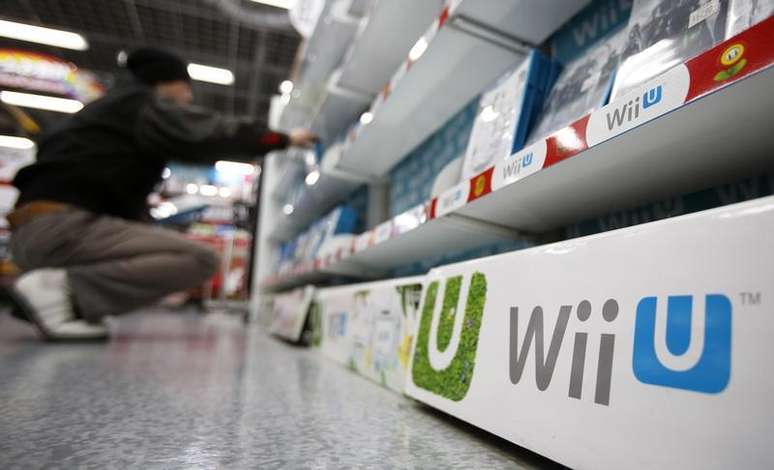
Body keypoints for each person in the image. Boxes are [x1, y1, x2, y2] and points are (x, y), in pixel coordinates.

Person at [7, 48, 317, 341]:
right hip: (63, 229)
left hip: (34, 233)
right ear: (165, 83)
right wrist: (283, 139)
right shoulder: (141, 105)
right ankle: (61, 290)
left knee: (160, 243)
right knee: (198, 259)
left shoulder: (103, 112)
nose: (188, 98)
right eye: (186, 88)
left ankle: (61, 301)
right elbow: (209, 133)